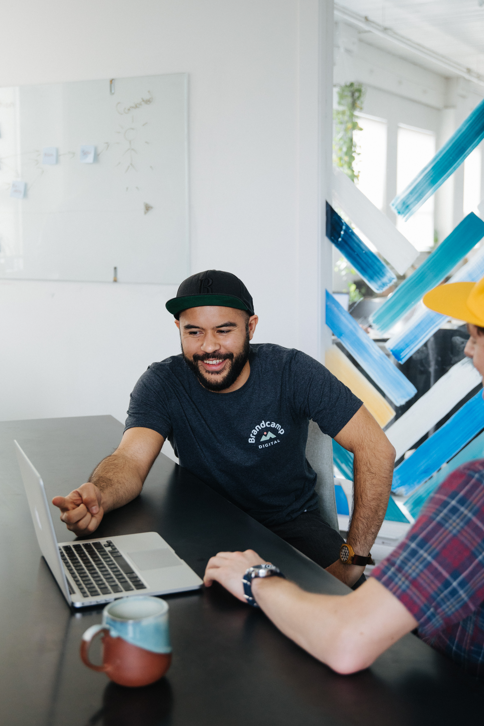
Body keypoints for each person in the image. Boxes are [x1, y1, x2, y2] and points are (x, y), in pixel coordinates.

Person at [204, 275, 484, 679]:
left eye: (476, 334)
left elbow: (346, 639)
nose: (469, 348)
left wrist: (255, 577)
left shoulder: (474, 491)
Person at [53, 270, 395, 588]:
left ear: (251, 327)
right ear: (179, 330)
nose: (209, 347)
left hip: (292, 526)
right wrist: (100, 494)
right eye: (194, 332)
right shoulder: (162, 383)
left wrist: (353, 559)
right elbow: (129, 459)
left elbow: (376, 449)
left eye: (224, 330)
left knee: (356, 623)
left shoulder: (293, 372)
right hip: (206, 526)